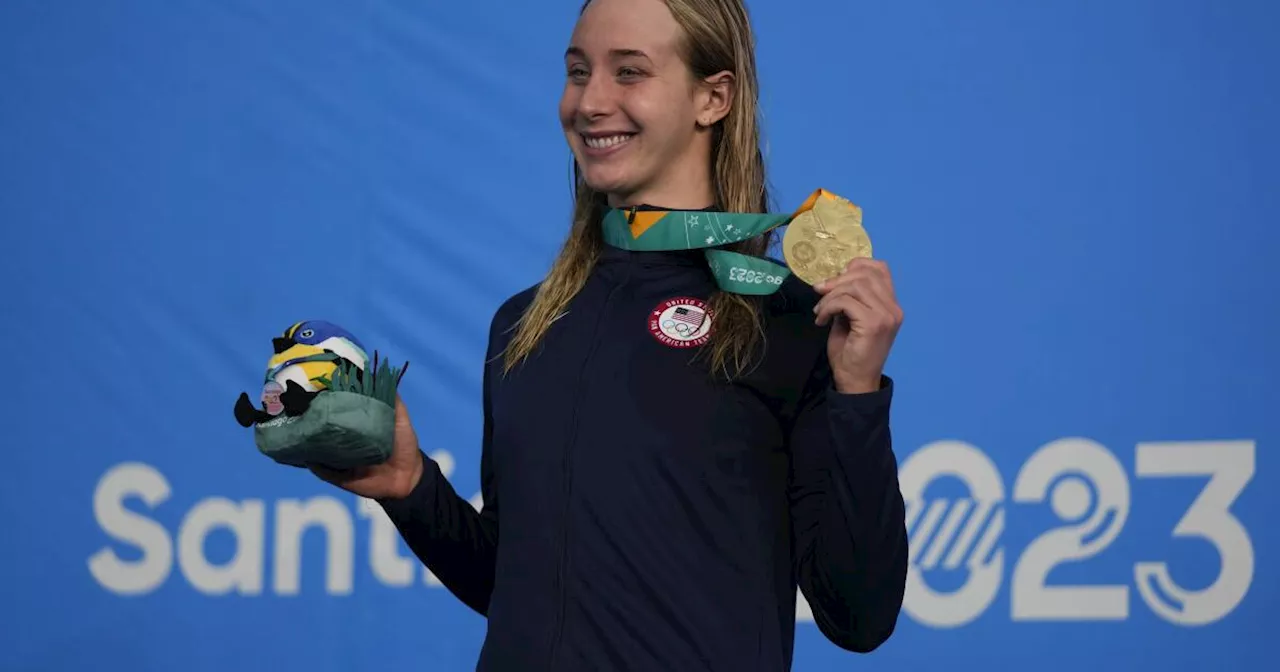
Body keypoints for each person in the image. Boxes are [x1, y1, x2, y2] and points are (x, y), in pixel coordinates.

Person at [310, 0, 908, 668]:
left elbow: (858, 615)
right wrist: (412, 485)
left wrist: (858, 393)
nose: (590, 101)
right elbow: (517, 590)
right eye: (577, 71)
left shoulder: (789, 318)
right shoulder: (526, 324)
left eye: (629, 73)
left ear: (713, 97)